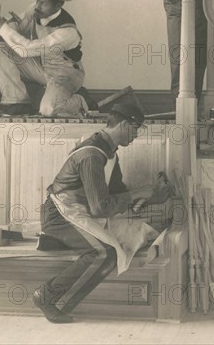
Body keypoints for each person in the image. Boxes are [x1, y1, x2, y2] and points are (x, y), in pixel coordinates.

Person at [33, 100, 174, 323]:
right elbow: (101, 208)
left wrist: (152, 197)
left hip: (80, 213)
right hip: (60, 216)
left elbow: (118, 196)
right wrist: (139, 192)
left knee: (143, 233)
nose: (136, 135)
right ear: (124, 125)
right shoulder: (92, 155)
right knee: (104, 253)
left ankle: (58, 297)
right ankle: (47, 296)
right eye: (136, 129)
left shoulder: (110, 153)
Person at [0, 0, 97, 117]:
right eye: (37, 0)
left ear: (58, 6)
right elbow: (19, 26)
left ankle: (82, 100)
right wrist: (3, 24)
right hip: (42, 67)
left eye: (43, 3)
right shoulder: (36, 10)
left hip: (65, 74)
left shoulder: (67, 32)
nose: (37, 5)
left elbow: (26, 50)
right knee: (0, 48)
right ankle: (17, 103)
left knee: (48, 110)